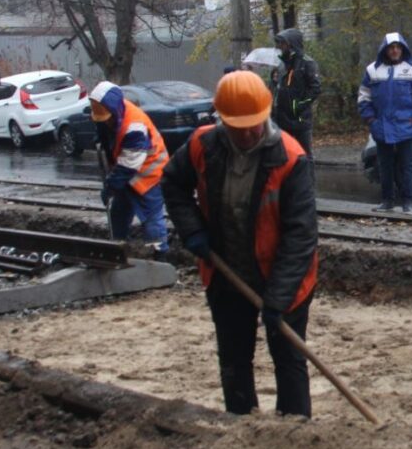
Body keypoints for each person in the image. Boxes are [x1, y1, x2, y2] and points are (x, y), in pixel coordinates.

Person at [161, 71, 319, 417]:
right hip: (226, 271)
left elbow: (301, 237)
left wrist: (277, 300)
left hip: (283, 277)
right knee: (234, 358)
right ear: (223, 120)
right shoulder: (204, 145)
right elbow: (172, 183)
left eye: (254, 124)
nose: (247, 133)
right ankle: (241, 423)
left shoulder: (291, 159)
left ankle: (296, 433)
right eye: (238, 126)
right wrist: (193, 231)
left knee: (290, 358)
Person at [90, 82, 170, 255]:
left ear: (116, 111)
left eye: (108, 119)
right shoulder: (107, 112)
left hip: (149, 174)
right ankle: (118, 248)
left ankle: (159, 256)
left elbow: (128, 165)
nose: (107, 122)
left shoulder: (134, 127)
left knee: (151, 219)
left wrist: (110, 187)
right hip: (125, 170)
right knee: (118, 212)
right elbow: (106, 137)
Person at [357, 32, 412, 213]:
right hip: (381, 126)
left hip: (405, 124)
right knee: (385, 166)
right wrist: (371, 120)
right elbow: (363, 98)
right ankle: (387, 201)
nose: (395, 50)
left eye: (398, 47)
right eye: (391, 47)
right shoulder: (372, 70)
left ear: (403, 49)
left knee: (406, 166)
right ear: (385, 49)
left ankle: (408, 203)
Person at [271, 28, 322, 155]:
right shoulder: (282, 64)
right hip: (282, 119)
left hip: (300, 119)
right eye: (279, 43)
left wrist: (298, 106)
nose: (280, 46)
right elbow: (278, 88)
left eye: (282, 43)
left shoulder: (307, 63)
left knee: (305, 155)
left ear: (291, 44)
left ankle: (308, 175)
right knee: (284, 155)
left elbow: (315, 89)